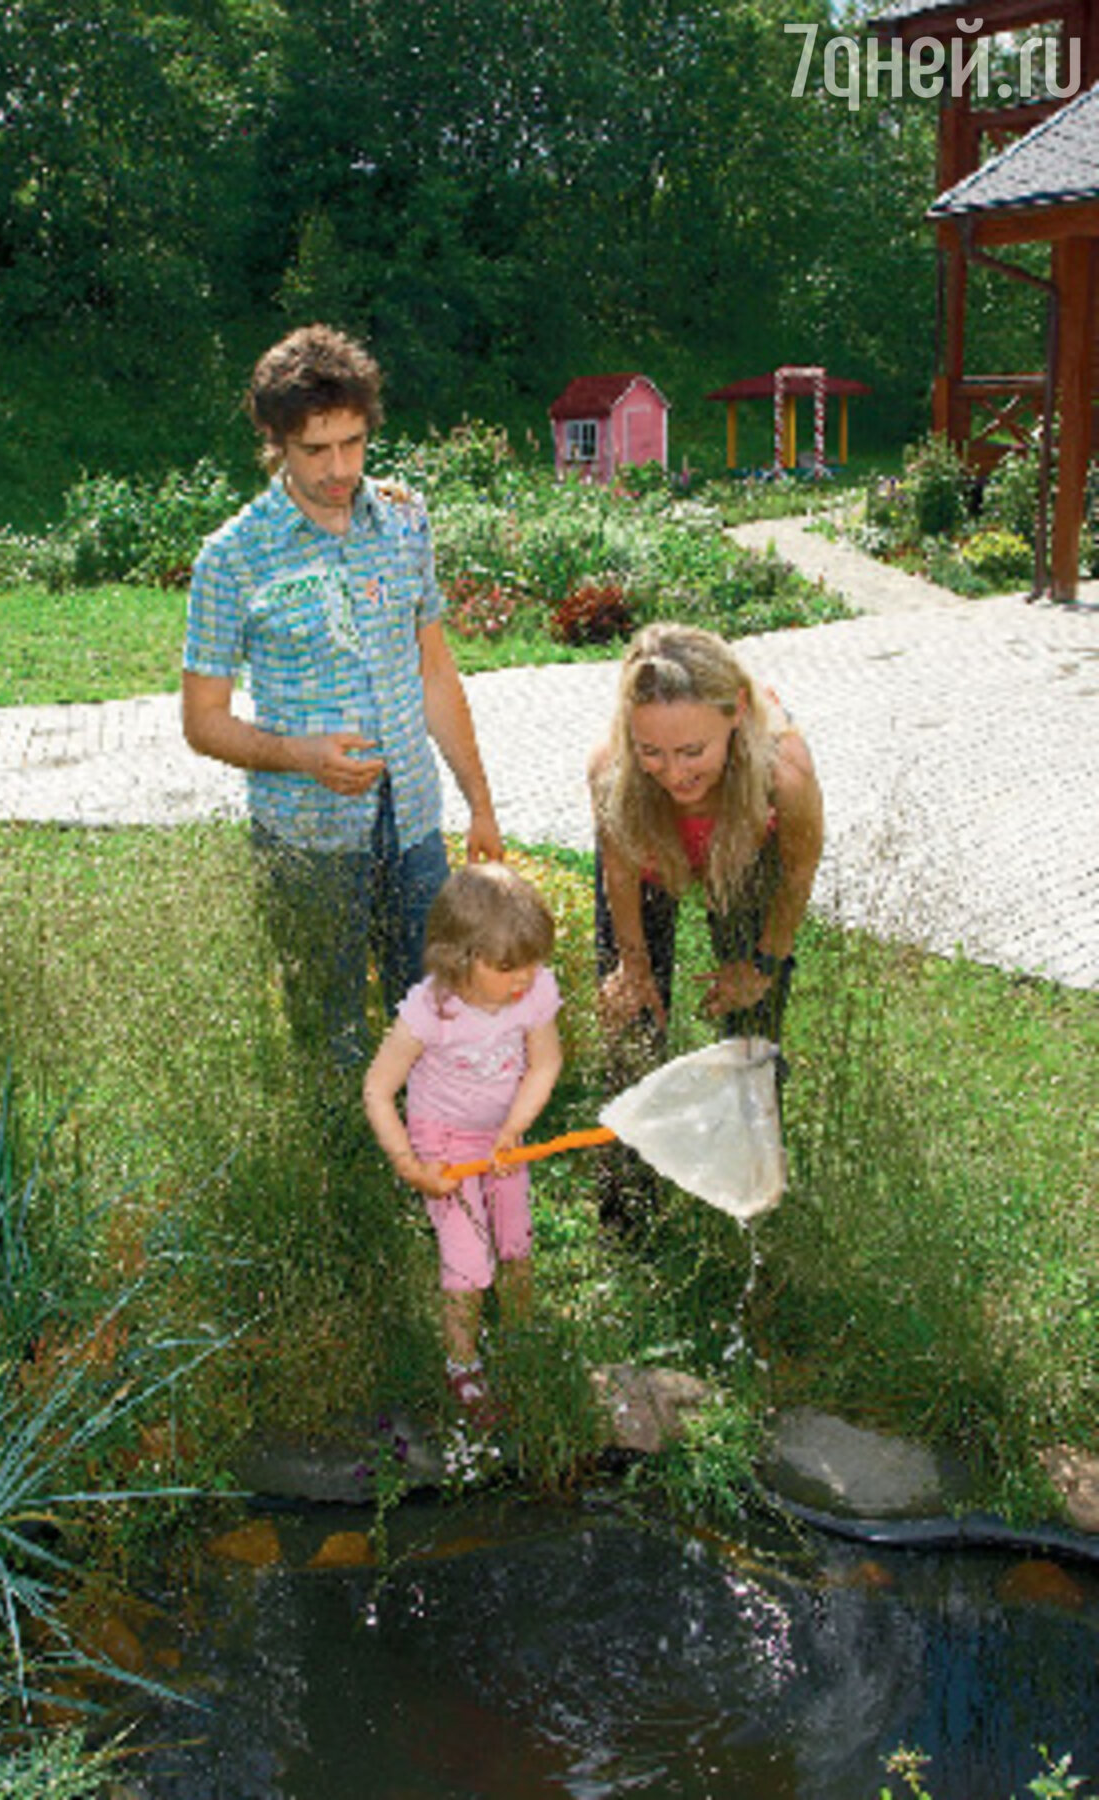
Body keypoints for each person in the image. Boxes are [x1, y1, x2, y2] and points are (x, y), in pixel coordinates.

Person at [182, 323, 502, 1065]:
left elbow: (436, 674)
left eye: (353, 444)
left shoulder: (403, 521)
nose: (339, 468)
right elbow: (201, 722)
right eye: (315, 450)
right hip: (308, 834)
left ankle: (424, 1162)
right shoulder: (231, 559)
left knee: (429, 1015)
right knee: (328, 1036)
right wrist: (298, 755)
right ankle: (343, 1170)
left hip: (415, 822)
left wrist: (478, 802)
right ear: (274, 440)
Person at [588, 622, 824, 1231]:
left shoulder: (782, 773)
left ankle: (751, 1191)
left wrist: (763, 964)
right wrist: (632, 965)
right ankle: (627, 1210)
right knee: (631, 1019)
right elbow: (618, 872)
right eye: (652, 752)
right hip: (648, 852)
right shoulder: (612, 772)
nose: (673, 773)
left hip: (746, 847)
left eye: (692, 751)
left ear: (736, 713)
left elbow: (796, 875)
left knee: (752, 1031)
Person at [362, 863, 562, 1419]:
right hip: (443, 1146)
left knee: (516, 1243)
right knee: (470, 1262)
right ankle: (463, 1364)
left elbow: (545, 1063)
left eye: (532, 963)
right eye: (507, 967)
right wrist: (409, 1163)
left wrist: (513, 1128)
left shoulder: (533, 990)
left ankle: (521, 1340)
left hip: (502, 1141)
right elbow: (378, 1090)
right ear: (459, 958)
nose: (524, 978)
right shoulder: (431, 1011)